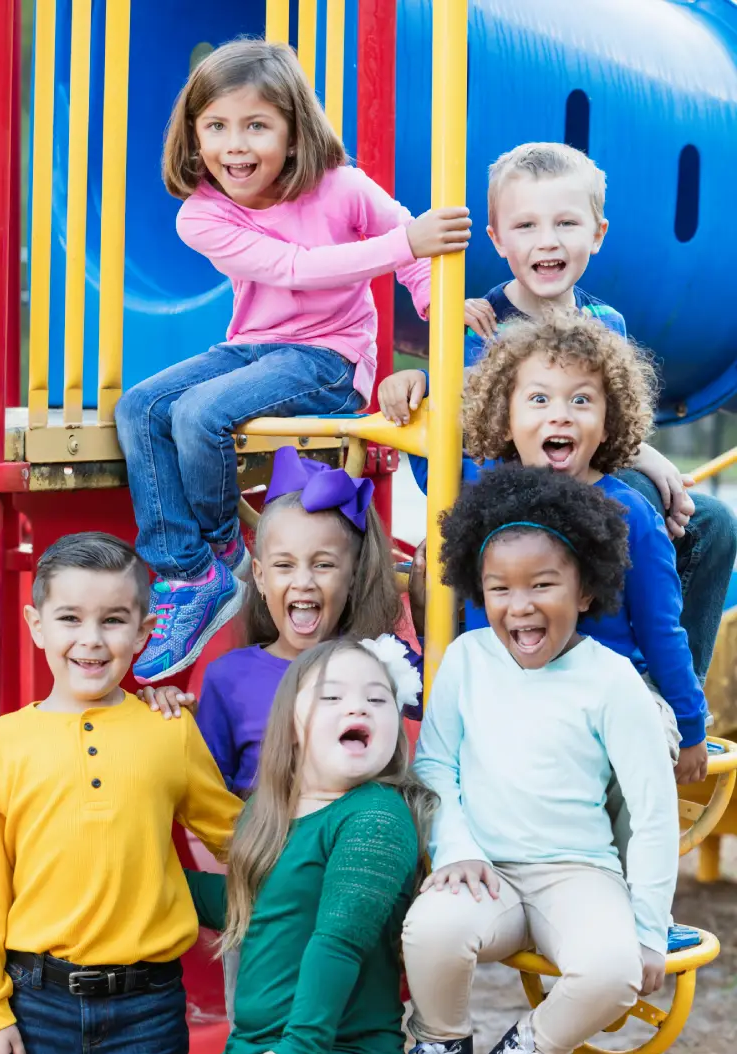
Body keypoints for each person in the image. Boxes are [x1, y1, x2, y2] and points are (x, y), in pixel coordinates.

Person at [115, 39, 470, 685]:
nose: (235, 145)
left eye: (256, 125)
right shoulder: (202, 215)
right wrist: (402, 244)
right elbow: (295, 270)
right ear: (193, 139)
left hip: (331, 359)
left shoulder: (342, 188)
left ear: (293, 130)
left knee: (199, 414)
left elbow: (416, 253)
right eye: (216, 127)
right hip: (253, 345)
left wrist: (436, 302)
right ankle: (191, 570)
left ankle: (220, 549)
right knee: (139, 407)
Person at [380, 465, 679, 1054]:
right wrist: (455, 848)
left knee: (614, 972)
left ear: (585, 587)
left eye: (543, 585)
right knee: (430, 932)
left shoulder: (610, 681)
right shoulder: (465, 660)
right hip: (485, 867)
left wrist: (650, 924)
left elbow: (654, 810)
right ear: (477, 591)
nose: (519, 606)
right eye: (499, 589)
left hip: (577, 872)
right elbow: (436, 763)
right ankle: (440, 1048)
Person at [379, 142, 737, 682]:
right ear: (497, 240)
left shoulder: (604, 323)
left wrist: (650, 458)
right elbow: (458, 427)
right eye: (526, 226)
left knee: (710, 523)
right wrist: (417, 384)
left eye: (566, 223)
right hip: (505, 508)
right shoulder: (475, 326)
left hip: (589, 489)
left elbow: (610, 429)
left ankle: (664, 688)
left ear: (597, 233)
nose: (547, 241)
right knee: (635, 504)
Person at [0, 533, 243, 1054]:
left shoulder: (167, 731)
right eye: (70, 619)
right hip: (35, 1004)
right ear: (36, 625)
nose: (91, 639)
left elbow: (237, 836)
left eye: (113, 621)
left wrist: (328, 831)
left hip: (146, 1007)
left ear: (144, 632)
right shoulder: (1, 746)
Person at [135, 639, 434, 1054]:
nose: (359, 708)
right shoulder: (274, 817)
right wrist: (152, 877)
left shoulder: (375, 815)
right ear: (292, 723)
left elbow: (338, 941)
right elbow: (254, 910)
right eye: (333, 697)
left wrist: (300, 1048)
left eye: (378, 698)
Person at [451, 313, 709, 787]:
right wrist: (413, 382)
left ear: (608, 425)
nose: (560, 413)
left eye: (582, 400)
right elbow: (428, 447)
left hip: (612, 695)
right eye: (538, 398)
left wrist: (690, 727)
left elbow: (661, 631)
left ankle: (622, 857)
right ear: (505, 419)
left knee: (638, 739)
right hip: (509, 689)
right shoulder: (483, 499)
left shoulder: (631, 515)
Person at [141, 446, 423, 797]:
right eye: (284, 565)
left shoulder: (380, 662)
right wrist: (167, 715)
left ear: (353, 575)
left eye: (323, 565)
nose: (303, 581)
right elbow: (207, 799)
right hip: (267, 850)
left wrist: (427, 617)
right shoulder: (228, 678)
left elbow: (440, 705)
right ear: (259, 577)